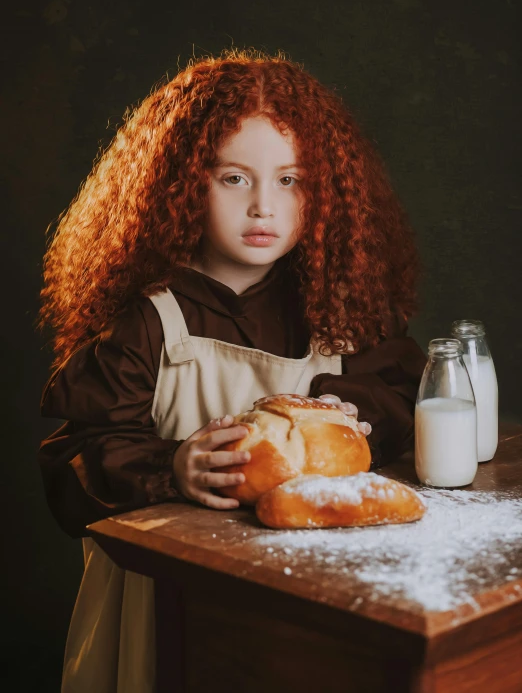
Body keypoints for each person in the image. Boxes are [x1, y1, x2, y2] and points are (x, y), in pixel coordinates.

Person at [37, 48, 427, 692]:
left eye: (290, 180)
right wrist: (173, 468)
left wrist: (354, 420)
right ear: (182, 183)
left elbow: (402, 400)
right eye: (234, 179)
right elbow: (75, 459)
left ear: (324, 190)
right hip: (167, 608)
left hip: (305, 601)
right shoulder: (147, 322)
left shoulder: (340, 308)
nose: (262, 209)